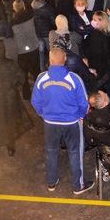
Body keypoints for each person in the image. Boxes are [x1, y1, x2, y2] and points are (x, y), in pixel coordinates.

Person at [31, 48, 93, 194]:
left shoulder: (42, 78)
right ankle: (78, 185)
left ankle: (51, 182)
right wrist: (80, 116)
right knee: (74, 152)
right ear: (64, 60)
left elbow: (35, 101)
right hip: (71, 123)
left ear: (50, 61)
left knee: (51, 152)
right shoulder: (74, 79)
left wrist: (44, 114)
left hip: (50, 123)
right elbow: (84, 102)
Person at [0, 38, 33, 157]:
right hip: (10, 97)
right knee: (9, 121)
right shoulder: (10, 63)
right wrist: (16, 88)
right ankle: (10, 147)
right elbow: (21, 77)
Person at [10, 0, 41, 98]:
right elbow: (30, 6)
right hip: (33, 47)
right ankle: (41, 91)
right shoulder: (30, 16)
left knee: (23, 74)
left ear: (14, 8)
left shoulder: (11, 22)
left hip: (21, 51)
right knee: (36, 71)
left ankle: (26, 94)